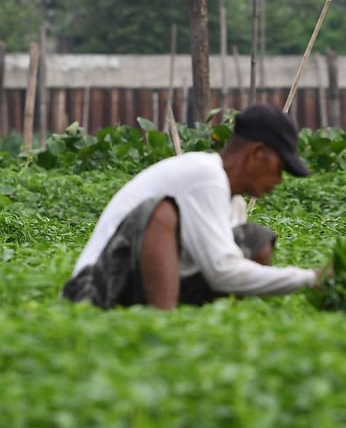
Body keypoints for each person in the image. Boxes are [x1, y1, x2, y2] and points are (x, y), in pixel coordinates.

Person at [63, 103, 324, 310]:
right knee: (161, 212)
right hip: (94, 289)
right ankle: (162, 326)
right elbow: (221, 272)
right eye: (279, 168)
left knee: (255, 240)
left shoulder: (234, 204)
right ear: (256, 153)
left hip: (138, 287)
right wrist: (309, 278)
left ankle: (213, 328)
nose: (278, 181)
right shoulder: (205, 174)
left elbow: (223, 268)